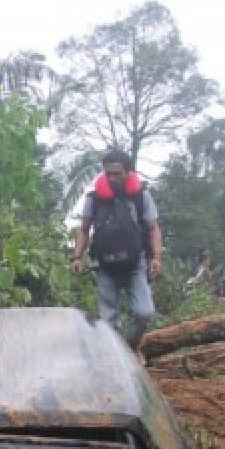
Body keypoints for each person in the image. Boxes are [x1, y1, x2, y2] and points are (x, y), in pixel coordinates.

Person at [71, 149, 163, 359]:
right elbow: (84, 230)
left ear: (128, 172)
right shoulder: (94, 199)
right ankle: (110, 361)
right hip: (105, 266)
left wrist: (157, 257)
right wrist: (77, 257)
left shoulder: (141, 197)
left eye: (117, 173)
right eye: (108, 173)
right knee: (107, 319)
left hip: (135, 264)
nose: (112, 178)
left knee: (144, 312)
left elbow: (153, 228)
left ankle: (130, 348)